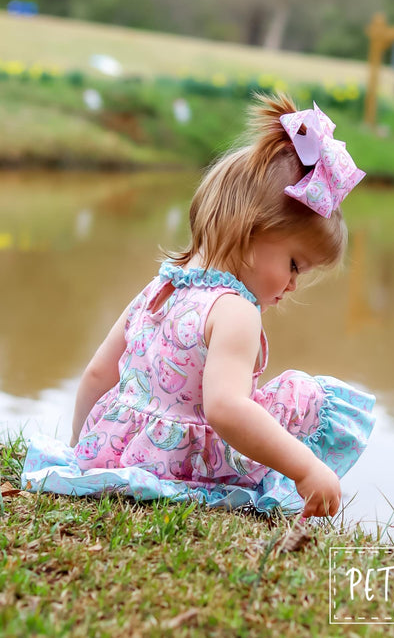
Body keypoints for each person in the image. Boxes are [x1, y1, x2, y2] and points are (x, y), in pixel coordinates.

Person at [69, 93, 375, 517]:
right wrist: (306, 468)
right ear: (252, 230)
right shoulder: (234, 310)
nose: (292, 285)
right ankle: (284, 486)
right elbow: (225, 407)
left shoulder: (161, 287)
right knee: (306, 394)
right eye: (293, 264)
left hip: (118, 458)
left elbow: (98, 373)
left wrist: (79, 451)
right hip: (183, 471)